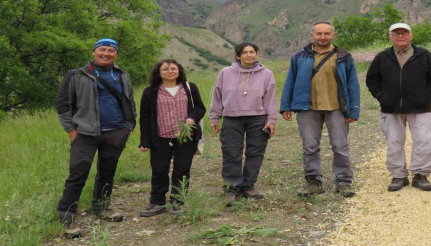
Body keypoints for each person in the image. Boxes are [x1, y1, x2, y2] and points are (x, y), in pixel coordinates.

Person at [56, 38, 137, 238]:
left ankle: (101, 208)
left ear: (116, 54)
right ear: (94, 52)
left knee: (107, 171)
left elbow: (129, 101)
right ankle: (67, 216)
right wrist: (71, 131)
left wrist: (129, 125)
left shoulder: (121, 74)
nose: (106, 53)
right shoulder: (76, 75)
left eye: (111, 50)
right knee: (78, 173)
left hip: (116, 131)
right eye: (102, 49)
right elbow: (63, 105)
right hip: (84, 133)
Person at [280, 21, 360, 197]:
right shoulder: (299, 56)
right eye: (319, 34)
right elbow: (290, 80)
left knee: (340, 145)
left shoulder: (343, 56)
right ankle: (313, 182)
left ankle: (343, 182)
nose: (322, 37)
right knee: (310, 146)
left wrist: (353, 111)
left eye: (326, 34)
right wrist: (286, 105)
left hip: (336, 107)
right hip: (307, 107)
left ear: (333, 35)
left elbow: (353, 84)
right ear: (312, 35)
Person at [366, 23, 431, 192]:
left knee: (422, 141)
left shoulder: (423, 55)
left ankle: (420, 175)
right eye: (396, 33)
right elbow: (371, 80)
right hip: (391, 108)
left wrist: (426, 96)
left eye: (404, 33)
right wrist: (382, 97)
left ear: (411, 35)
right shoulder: (382, 57)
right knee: (394, 142)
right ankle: (398, 176)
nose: (400, 36)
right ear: (390, 37)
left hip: (420, 108)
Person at [209, 42, 277, 206]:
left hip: (257, 118)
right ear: (237, 56)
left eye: (252, 52)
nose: (249, 55)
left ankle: (248, 186)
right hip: (232, 118)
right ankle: (232, 187)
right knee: (231, 153)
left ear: (256, 54)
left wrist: (271, 120)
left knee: (255, 152)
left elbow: (270, 99)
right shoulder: (225, 73)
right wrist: (214, 117)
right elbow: (217, 95)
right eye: (245, 52)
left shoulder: (266, 74)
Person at [139, 59, 206, 216]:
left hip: (186, 137)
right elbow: (145, 118)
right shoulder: (150, 92)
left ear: (179, 70)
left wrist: (191, 118)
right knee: (159, 170)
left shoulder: (189, 88)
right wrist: (144, 141)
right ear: (159, 73)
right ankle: (157, 202)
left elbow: (200, 108)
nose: (170, 71)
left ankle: (178, 202)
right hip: (160, 137)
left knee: (182, 170)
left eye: (173, 68)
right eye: (165, 69)